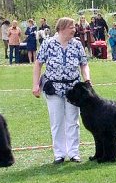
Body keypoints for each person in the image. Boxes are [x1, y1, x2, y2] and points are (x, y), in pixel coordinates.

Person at [32, 17, 91, 164]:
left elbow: (84, 64)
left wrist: (87, 80)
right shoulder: (48, 44)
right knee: (57, 121)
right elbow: (38, 64)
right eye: (71, 27)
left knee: (73, 120)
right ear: (62, 28)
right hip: (54, 88)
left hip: (74, 89)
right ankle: (59, 154)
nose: (74, 29)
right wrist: (35, 85)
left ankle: (73, 153)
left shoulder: (77, 44)